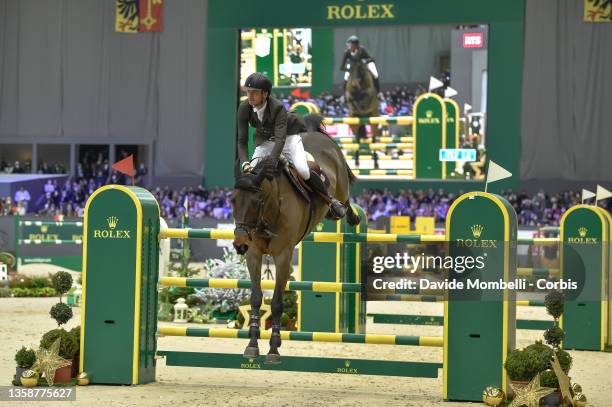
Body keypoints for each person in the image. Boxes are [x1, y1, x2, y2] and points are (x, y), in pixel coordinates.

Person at [236, 72, 346, 218]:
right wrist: (245, 163)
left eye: (254, 93)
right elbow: (242, 140)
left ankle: (330, 201)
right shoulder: (244, 108)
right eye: (248, 92)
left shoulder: (277, 107)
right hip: (266, 141)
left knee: (303, 170)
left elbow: (281, 139)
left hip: (288, 139)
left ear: (265, 93)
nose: (250, 96)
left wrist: (272, 161)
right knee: (252, 175)